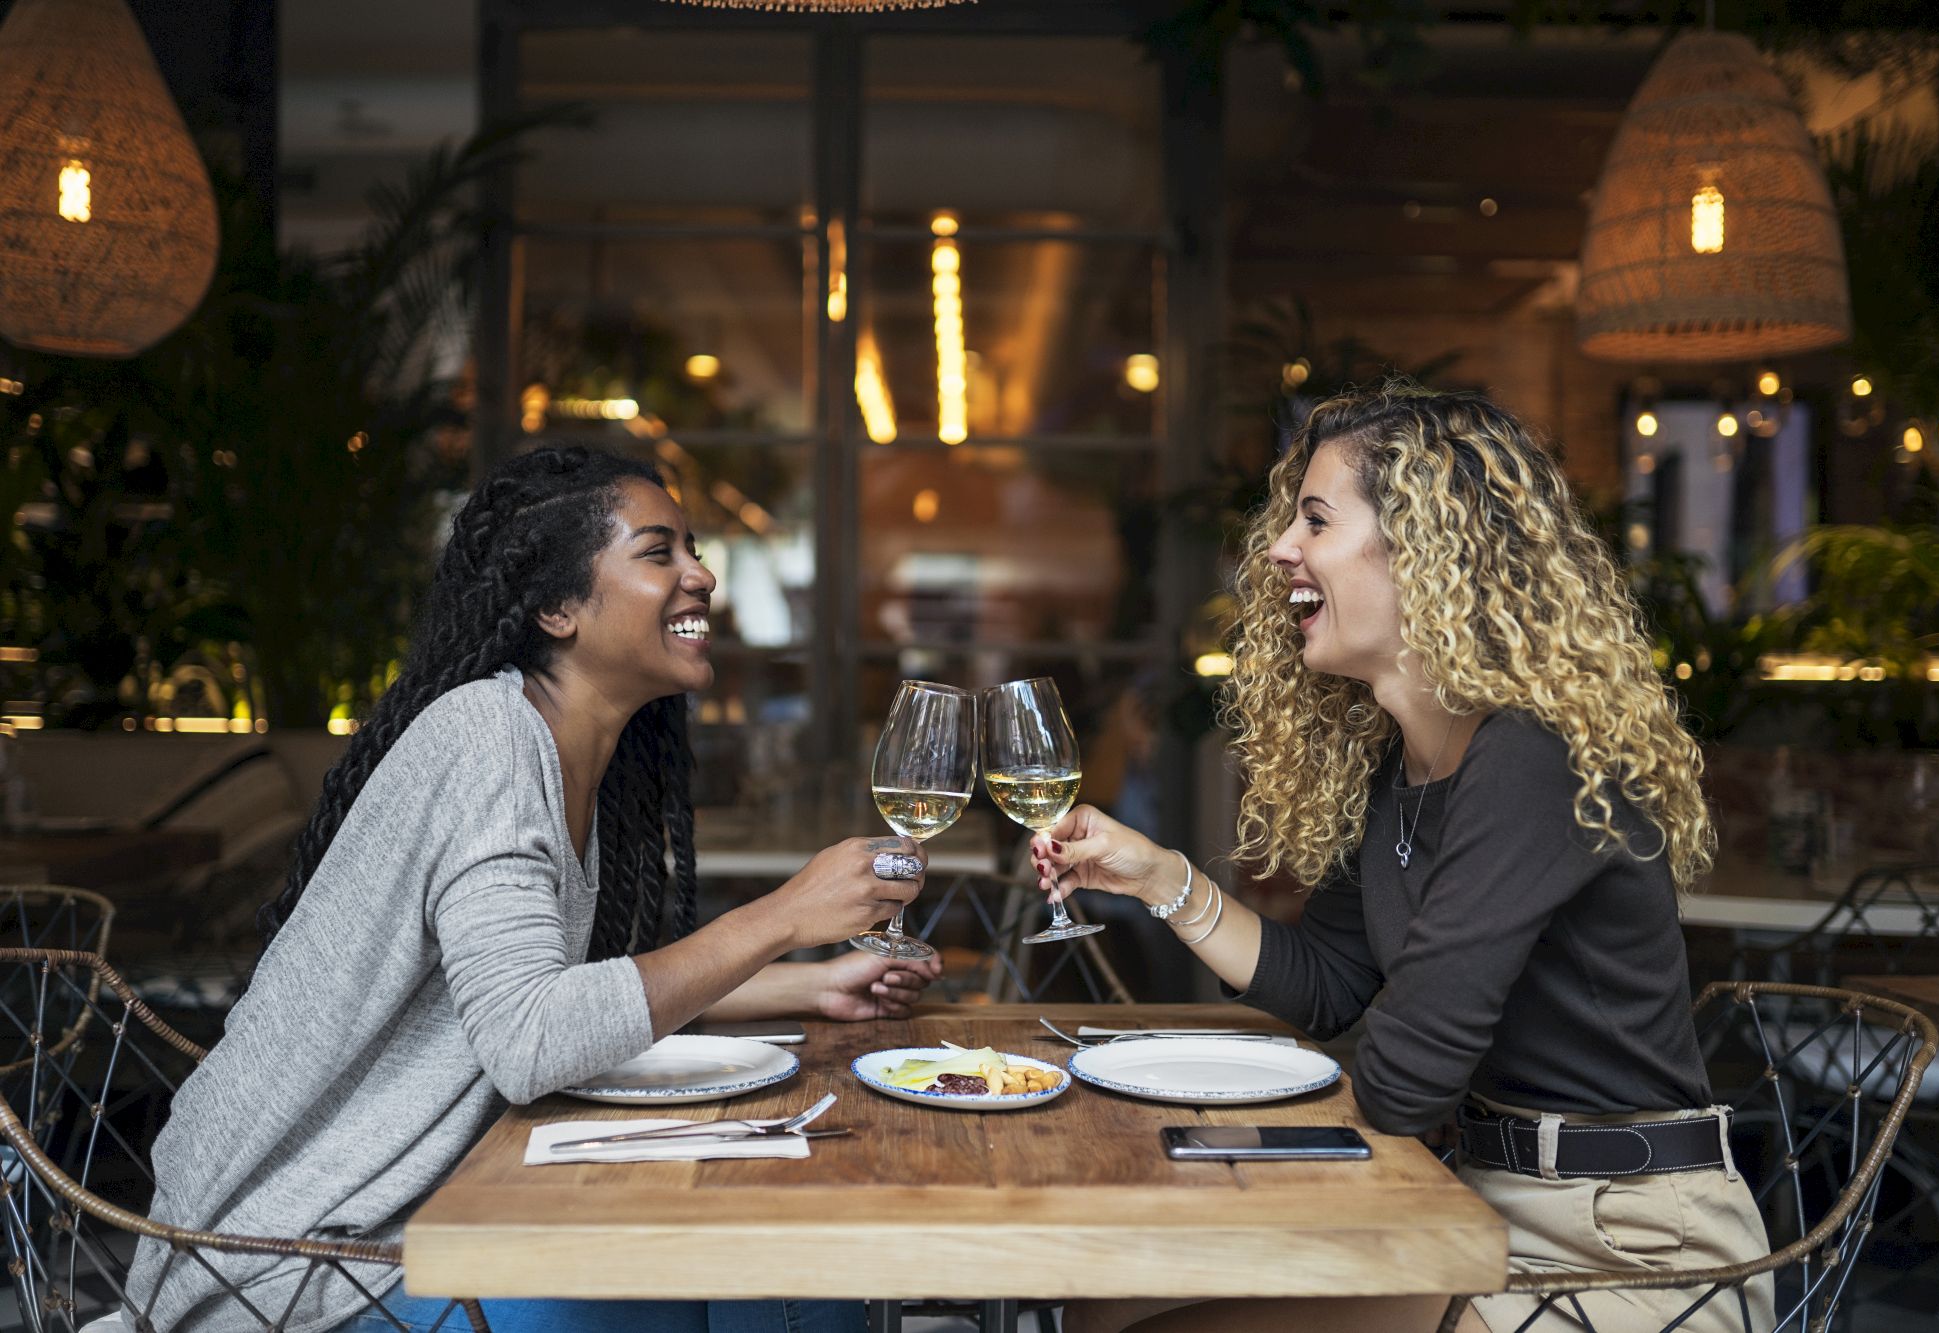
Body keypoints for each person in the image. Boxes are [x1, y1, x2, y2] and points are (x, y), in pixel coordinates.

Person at [128, 446, 939, 1333]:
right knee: (715, 1273)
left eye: (692, 549)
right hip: (295, 1269)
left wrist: (806, 983)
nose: (702, 574)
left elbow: (564, 1000)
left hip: (419, 1222)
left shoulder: (565, 751)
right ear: (557, 607)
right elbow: (531, 1037)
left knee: (778, 1264)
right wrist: (784, 916)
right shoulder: (487, 738)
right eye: (659, 551)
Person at [1036, 384, 1771, 1333]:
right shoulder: (1404, 764)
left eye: (1315, 518)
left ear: (1429, 547)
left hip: (1634, 1249)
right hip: (1478, 1205)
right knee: (1107, 1303)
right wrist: (1159, 878)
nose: (1279, 549)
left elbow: (1403, 1081)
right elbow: (1333, 984)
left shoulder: (1532, 757)